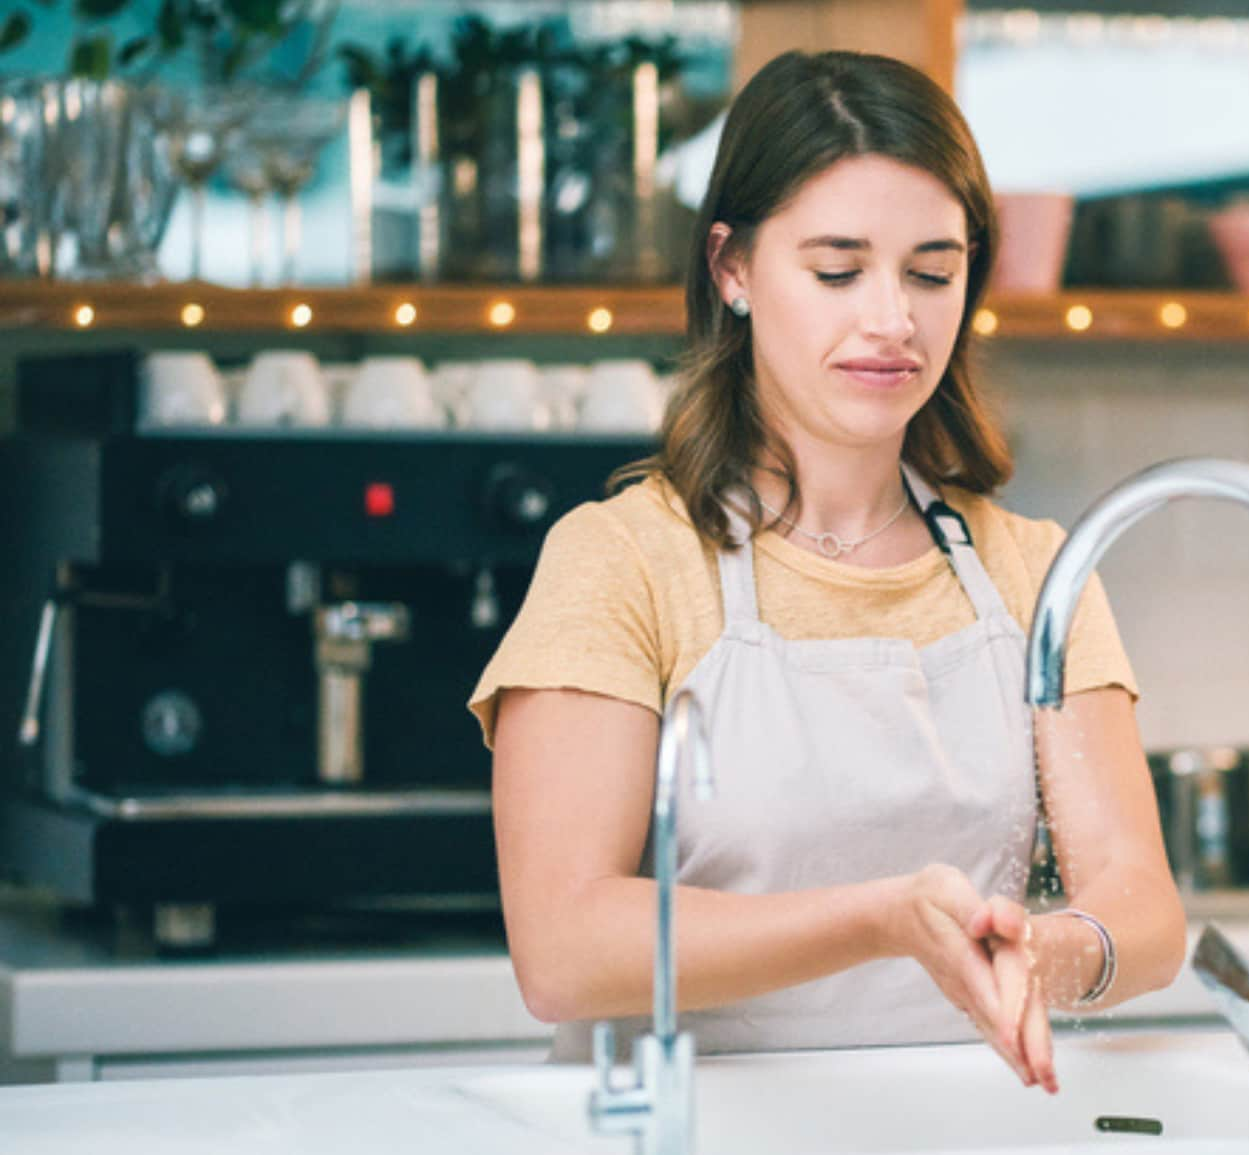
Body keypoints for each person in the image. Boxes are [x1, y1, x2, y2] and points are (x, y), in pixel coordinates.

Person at [469, 50, 1184, 1093]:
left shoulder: (1030, 572)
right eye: (838, 270)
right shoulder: (622, 561)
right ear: (732, 269)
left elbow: (1141, 906)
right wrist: (879, 921)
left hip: (959, 1124)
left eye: (932, 273)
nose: (893, 319)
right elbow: (565, 947)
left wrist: (1050, 951)